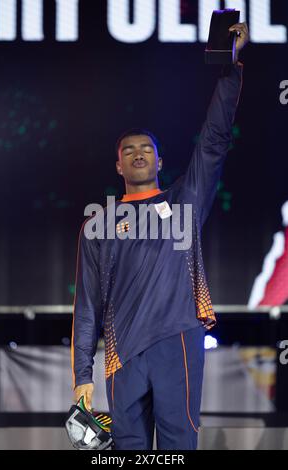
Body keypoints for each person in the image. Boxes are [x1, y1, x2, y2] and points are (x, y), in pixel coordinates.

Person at [71, 22, 249, 450]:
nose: (137, 154)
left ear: (159, 160)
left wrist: (230, 69)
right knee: (128, 448)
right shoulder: (98, 223)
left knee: (177, 446)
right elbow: (88, 304)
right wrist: (82, 376)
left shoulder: (185, 200)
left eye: (146, 149)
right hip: (122, 353)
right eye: (128, 150)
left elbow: (213, 142)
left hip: (178, 342)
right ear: (118, 166)